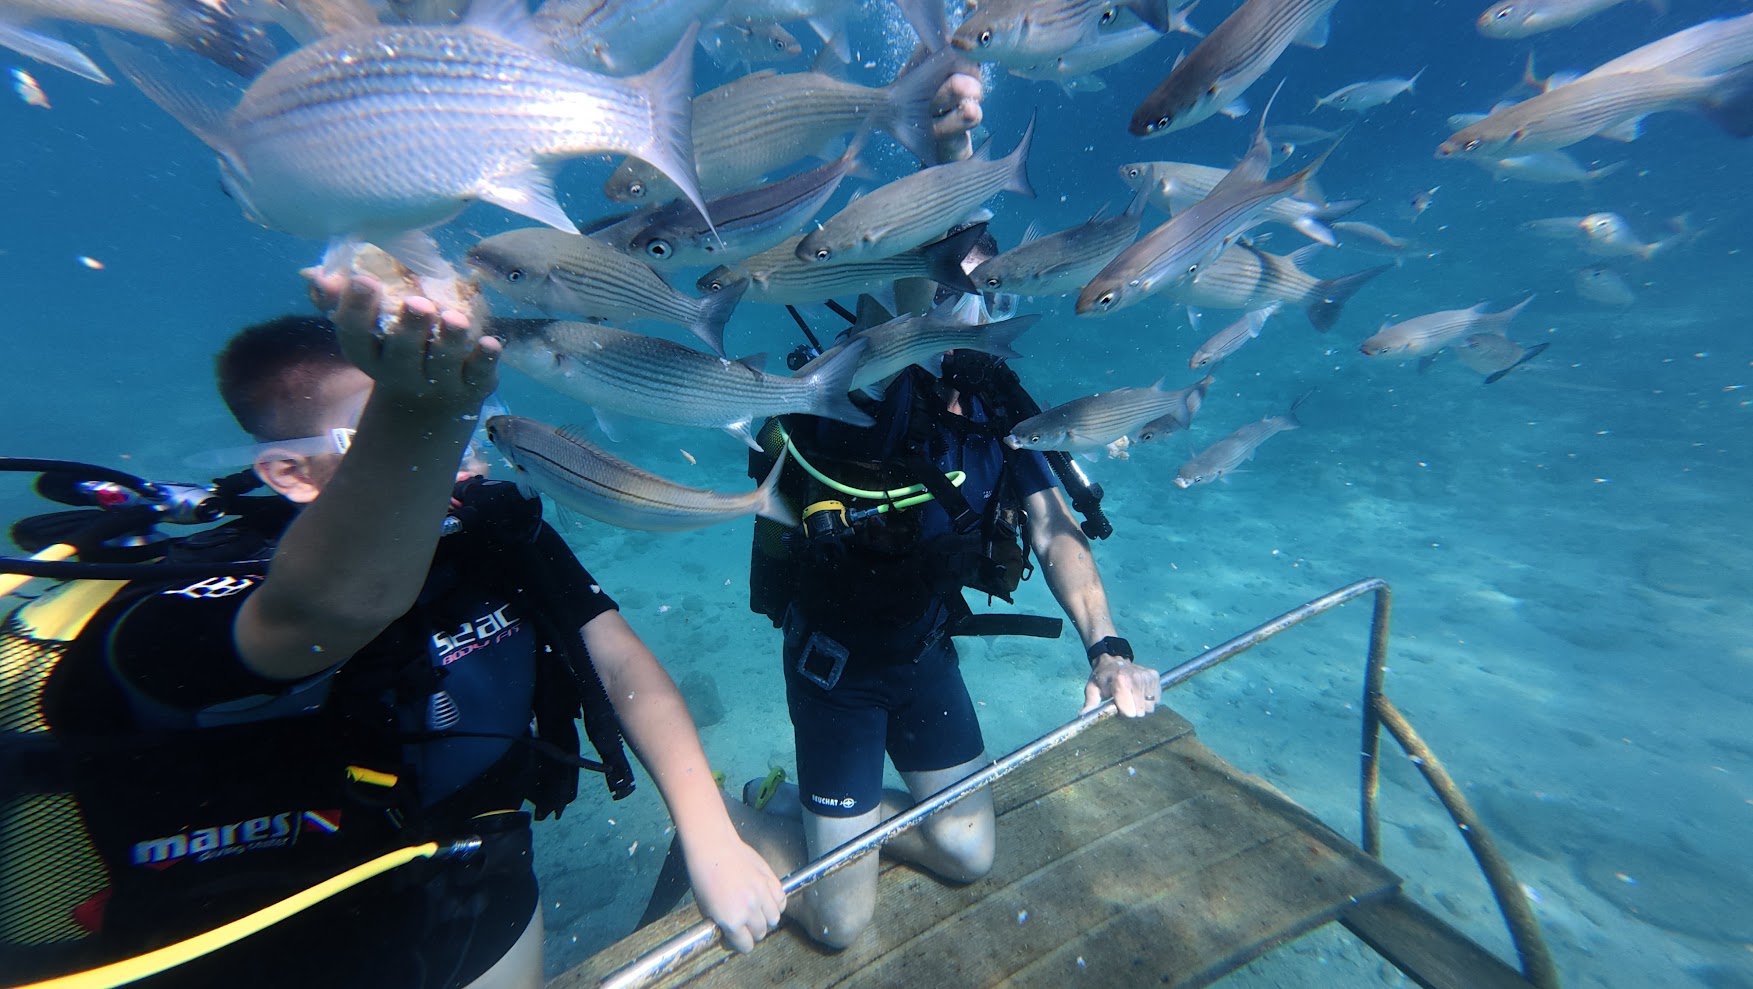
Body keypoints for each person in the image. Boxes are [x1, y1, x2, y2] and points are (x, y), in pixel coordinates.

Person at [7, 277, 783, 987]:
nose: (455, 463)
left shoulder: (489, 533)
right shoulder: (191, 603)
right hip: (266, 951)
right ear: (289, 473)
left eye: (460, 432)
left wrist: (708, 833)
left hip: (480, 890)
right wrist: (423, 411)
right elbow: (338, 610)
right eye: (387, 433)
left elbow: (619, 665)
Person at [731, 76, 1164, 950]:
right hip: (837, 673)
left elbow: (1054, 531)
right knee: (840, 924)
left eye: (976, 281)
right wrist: (948, 153)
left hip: (924, 654)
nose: (956, 296)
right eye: (936, 277)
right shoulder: (847, 393)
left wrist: (1107, 647)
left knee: (968, 855)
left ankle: (832, 825)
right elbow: (903, 293)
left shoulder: (996, 400)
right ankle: (728, 814)